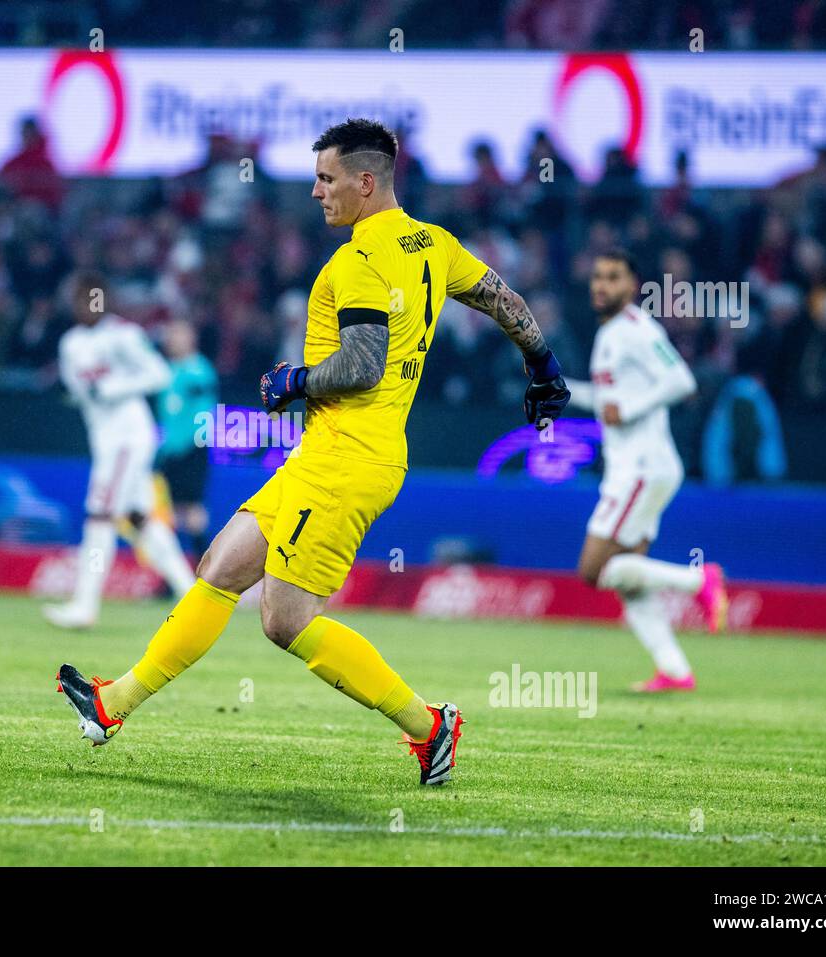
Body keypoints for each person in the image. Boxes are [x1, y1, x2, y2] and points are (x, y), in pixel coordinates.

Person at [55, 119, 571, 786]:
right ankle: (110, 705)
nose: (316, 191)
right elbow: (502, 298)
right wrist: (544, 366)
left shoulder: (359, 261)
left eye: (327, 179)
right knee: (219, 564)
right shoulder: (432, 244)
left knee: (286, 620)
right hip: (336, 451)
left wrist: (292, 381)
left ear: (365, 181)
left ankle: (431, 726)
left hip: (346, 458)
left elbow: (362, 363)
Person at [563, 249, 728, 691]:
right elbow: (608, 403)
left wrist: (631, 408)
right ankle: (675, 670)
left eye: (612, 277)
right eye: (597, 276)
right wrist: (562, 392)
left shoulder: (637, 328)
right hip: (635, 468)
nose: (602, 285)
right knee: (629, 582)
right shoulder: (610, 333)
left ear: (632, 286)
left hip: (641, 468)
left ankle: (699, 580)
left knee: (594, 571)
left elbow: (682, 381)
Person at [46, 273, 197, 630]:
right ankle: (192, 595)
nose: (86, 307)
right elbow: (75, 390)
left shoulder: (124, 336)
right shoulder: (71, 344)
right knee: (138, 516)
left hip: (128, 437)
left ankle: (85, 605)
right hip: (105, 438)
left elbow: (159, 374)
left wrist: (114, 387)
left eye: (92, 299)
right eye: (80, 300)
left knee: (100, 515)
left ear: (104, 301)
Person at [155, 319, 218, 555]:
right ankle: (175, 571)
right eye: (171, 335)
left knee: (193, 509)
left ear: (191, 339)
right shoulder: (167, 370)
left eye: (178, 334)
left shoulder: (199, 369)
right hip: (171, 450)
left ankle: (203, 568)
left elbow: (204, 405)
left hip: (192, 448)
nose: (172, 339)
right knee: (172, 511)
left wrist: (193, 443)